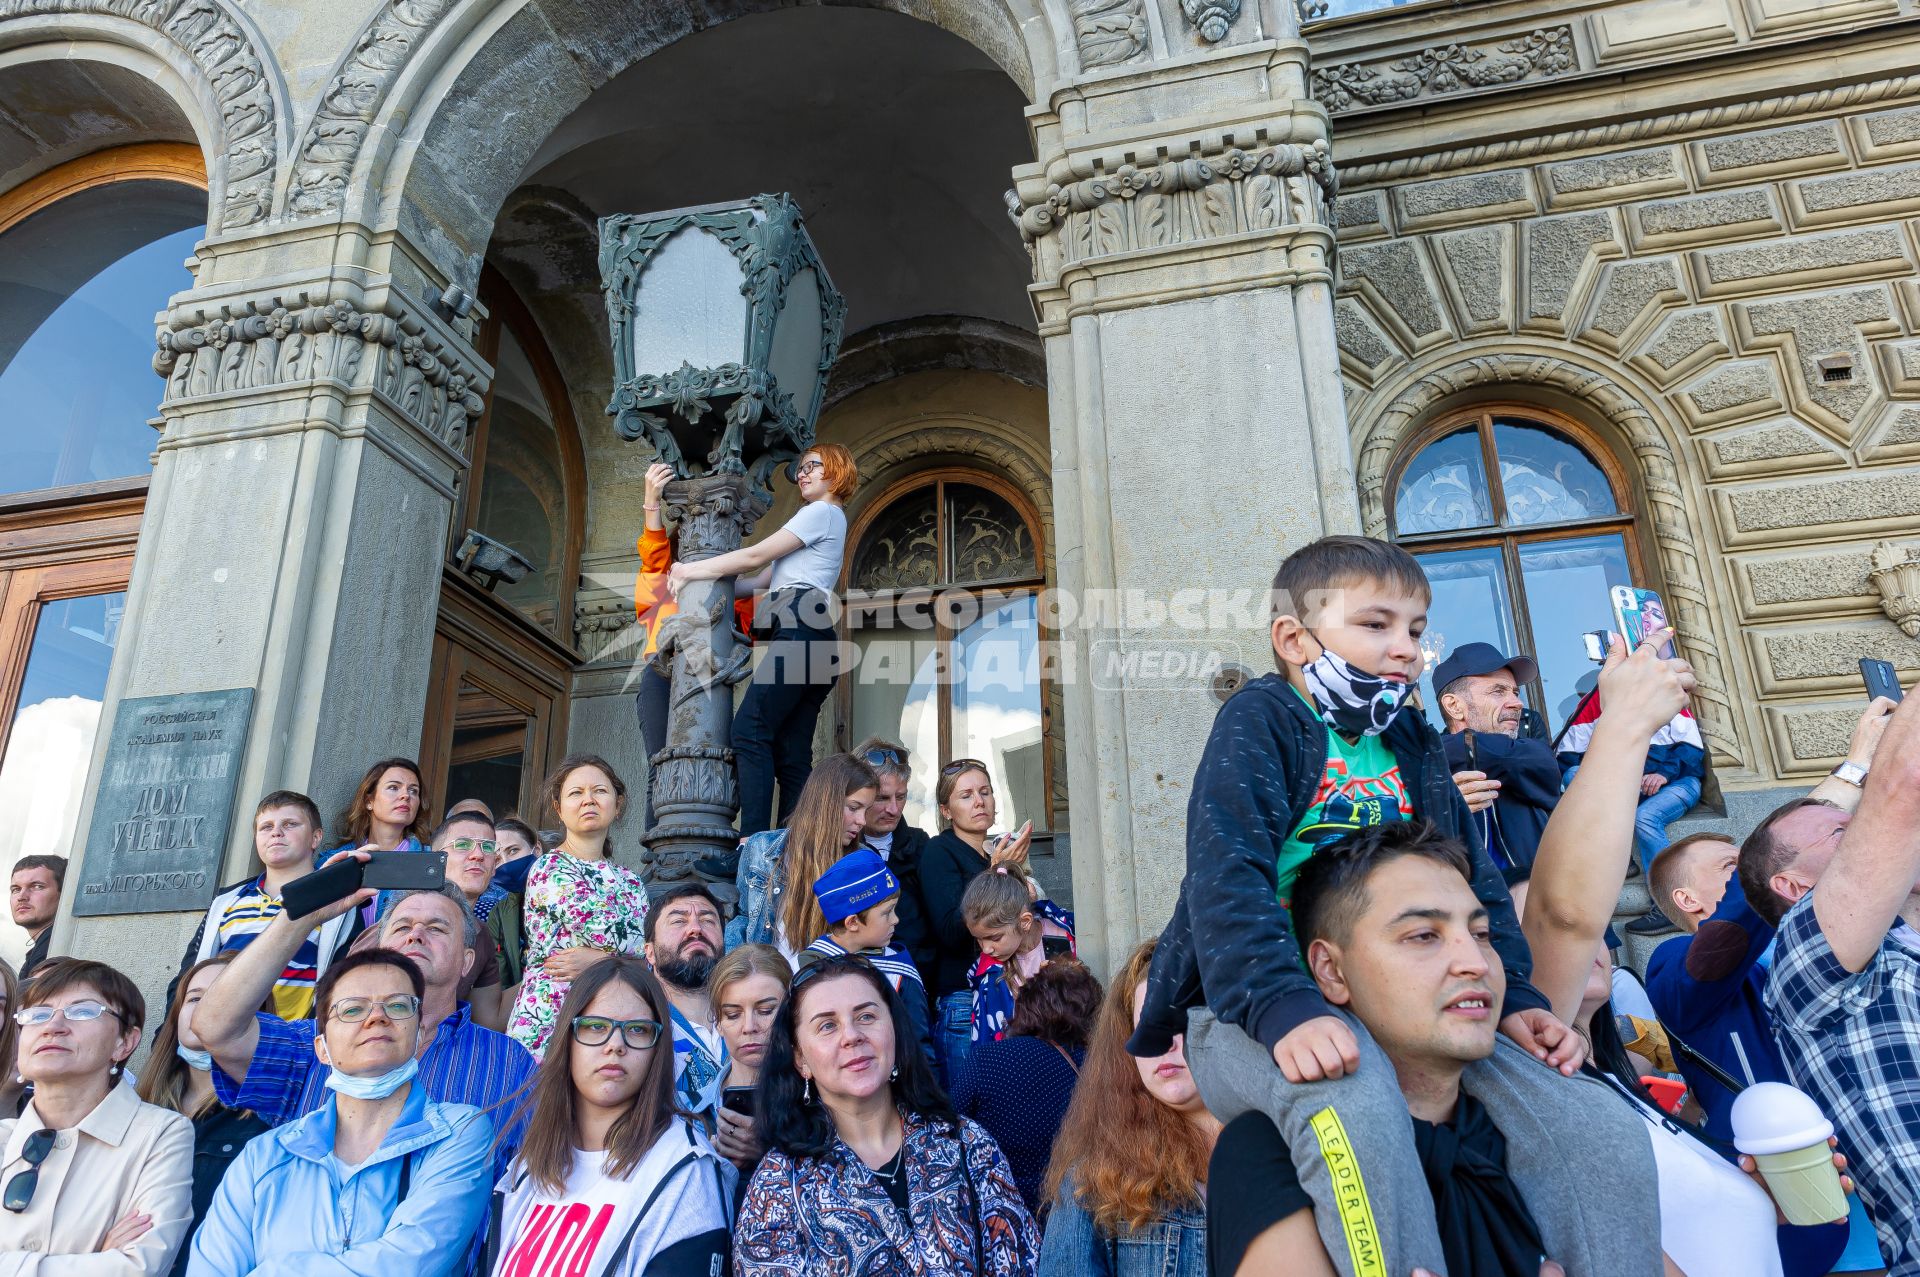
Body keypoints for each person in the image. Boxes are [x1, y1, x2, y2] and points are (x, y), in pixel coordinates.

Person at [1127, 536, 1575, 1277]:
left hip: (1382, 1004)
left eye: (1416, 629)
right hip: (1247, 1011)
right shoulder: (1261, 719)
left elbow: (1475, 877)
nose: (1405, 648)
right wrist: (1282, 1006)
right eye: (1376, 624)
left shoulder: (1409, 737)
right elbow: (1224, 873)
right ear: (1294, 638)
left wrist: (1517, 991)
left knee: (1580, 1113)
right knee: (1353, 1099)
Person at [1521, 630, 1852, 1277]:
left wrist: (1764, 1195)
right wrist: (1624, 725)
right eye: (1732, 868)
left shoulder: (1627, 1018)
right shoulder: (1665, 972)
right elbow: (1564, 912)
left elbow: (1672, 1098)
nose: (1595, 940)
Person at [1203, 822, 1665, 1277]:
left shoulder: (1553, 1137)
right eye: (1423, 935)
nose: (1474, 963)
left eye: (1483, 935)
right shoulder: (1272, 1154)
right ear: (1331, 971)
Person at [194, 873, 534, 1176]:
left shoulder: (509, 1061)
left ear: (467, 961)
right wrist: (301, 919)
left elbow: (533, 1175)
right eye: (402, 927)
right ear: (381, 948)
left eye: (436, 928)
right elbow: (215, 1027)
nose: (416, 935)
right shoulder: (318, 1041)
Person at [187, 949, 494, 1277]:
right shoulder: (263, 1156)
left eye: (398, 1005)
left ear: (418, 1034)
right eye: (352, 1009)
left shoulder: (459, 1131)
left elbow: (408, 1263)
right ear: (322, 1048)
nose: (377, 1017)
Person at [734, 954, 1041, 1275]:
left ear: (894, 1031)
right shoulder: (777, 1184)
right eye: (827, 1025)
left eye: (866, 1016)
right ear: (801, 1060)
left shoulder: (966, 1142)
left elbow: (1021, 1262)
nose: (851, 1035)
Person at [1763, 675, 1920, 1274]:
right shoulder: (1808, 964)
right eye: (1845, 832)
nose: (1873, 833)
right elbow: (1905, 783)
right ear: (1796, 888)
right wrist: (1870, 763)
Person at [490, 955, 733, 1277]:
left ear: (657, 1049)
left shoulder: (687, 1169)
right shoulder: (526, 1168)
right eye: (595, 1026)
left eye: (637, 1030)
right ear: (568, 1039)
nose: (615, 1044)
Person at [669, 444, 859, 839]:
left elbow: (753, 556)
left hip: (802, 627)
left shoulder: (821, 512)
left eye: (812, 467)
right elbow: (756, 582)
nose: (802, 474)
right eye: (801, 468)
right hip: (816, 634)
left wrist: (690, 568)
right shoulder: (827, 521)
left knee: (750, 730)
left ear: (836, 471)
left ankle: (752, 842)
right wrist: (704, 585)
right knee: (791, 752)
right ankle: (794, 844)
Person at [0, 958, 193, 1275]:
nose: (53, 1026)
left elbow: (139, 1267)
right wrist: (96, 1259)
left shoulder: (160, 1134)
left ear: (125, 1041)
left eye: (83, 1011)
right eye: (37, 1015)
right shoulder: (4, 1137)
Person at [1039, 941, 1217, 1277]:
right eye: (1148, 1025)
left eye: (1182, 1020)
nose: (1165, 1042)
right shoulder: (1091, 1179)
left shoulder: (1283, 1150)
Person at [634, 459, 756, 838]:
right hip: (661, 674)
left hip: (713, 680)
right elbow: (654, 553)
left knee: (717, 764)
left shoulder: (734, 593)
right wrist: (651, 504)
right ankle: (657, 847)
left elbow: (750, 628)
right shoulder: (660, 579)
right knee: (663, 766)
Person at [135, 954, 271, 1277]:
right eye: (195, 998)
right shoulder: (137, 1106)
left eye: (226, 996)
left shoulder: (267, 1119)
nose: (207, 1008)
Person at [508, 756, 650, 1059]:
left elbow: (649, 951)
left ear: (618, 803)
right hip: (551, 1015)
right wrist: (629, 959)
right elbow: (615, 934)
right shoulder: (550, 867)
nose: (589, 800)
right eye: (576, 793)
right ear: (559, 809)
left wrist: (599, 961)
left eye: (599, 791)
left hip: (613, 1013)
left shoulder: (632, 881)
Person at [175, 792, 355, 1021]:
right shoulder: (227, 902)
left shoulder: (337, 906)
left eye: (290, 824)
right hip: (221, 1035)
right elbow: (187, 977)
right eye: (266, 827)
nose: (276, 832)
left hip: (292, 1041)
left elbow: (344, 982)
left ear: (316, 837)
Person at [919, 759, 1035, 1086]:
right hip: (963, 1000)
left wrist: (1016, 875)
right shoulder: (939, 851)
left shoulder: (995, 854)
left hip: (1009, 995)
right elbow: (951, 931)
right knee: (970, 1112)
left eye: (985, 792)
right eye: (966, 795)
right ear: (946, 810)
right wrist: (996, 872)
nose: (979, 801)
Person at [954, 959, 1099, 1219]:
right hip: (1075, 1212)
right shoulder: (1097, 1065)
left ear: (1026, 1006)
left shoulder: (987, 1059)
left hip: (1001, 1217)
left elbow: (947, 1130)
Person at [1555, 684, 1706, 935]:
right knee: (1574, 776)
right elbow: (1567, 760)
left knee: (1645, 818)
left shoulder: (1664, 700)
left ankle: (1668, 905)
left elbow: (1691, 748)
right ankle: (1622, 858)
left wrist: (1663, 774)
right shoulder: (1594, 710)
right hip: (1629, 787)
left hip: (1680, 782)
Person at [728, 752, 879, 961]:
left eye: (866, 810)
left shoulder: (864, 862)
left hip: (828, 985)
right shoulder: (760, 847)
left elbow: (869, 942)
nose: (862, 820)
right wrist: (736, 980)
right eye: (854, 808)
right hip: (767, 984)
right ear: (826, 802)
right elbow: (743, 922)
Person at [1433, 643, 1561, 876]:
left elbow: (1545, 763)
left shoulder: (1531, 755)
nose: (1517, 702)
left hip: (1534, 898)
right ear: (1454, 706)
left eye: (1514, 692)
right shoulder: (1424, 774)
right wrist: (1443, 804)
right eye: (1498, 691)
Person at [802, 848, 931, 1060]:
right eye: (887, 912)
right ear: (852, 922)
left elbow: (919, 1048)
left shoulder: (899, 971)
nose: (896, 920)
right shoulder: (807, 968)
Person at [853, 737, 935, 982]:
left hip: (919, 985)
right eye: (882, 798)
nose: (894, 809)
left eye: (901, 797)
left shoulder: (923, 846)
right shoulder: (839, 851)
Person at [640, 884, 726, 1118]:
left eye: (708, 920)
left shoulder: (755, 1021)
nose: (696, 929)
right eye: (678, 921)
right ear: (650, 952)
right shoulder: (639, 1029)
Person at [962, 865, 1074, 1044]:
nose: (986, 949)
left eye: (994, 938)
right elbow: (986, 1041)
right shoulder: (989, 977)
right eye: (979, 939)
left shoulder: (1066, 932)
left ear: (1025, 922)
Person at [705, 944, 790, 1176]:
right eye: (733, 1014)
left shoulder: (824, 1101)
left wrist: (771, 1154)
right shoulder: (691, 1113)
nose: (749, 1027)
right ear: (718, 1023)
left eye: (765, 1011)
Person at [331, 757, 434, 930]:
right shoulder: (336, 860)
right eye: (393, 788)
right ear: (369, 801)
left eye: (413, 791)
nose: (405, 796)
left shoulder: (430, 863)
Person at [432, 810, 509, 1028]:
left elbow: (489, 1019)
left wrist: (547, 966)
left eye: (487, 847)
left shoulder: (481, 935)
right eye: (463, 845)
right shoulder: (404, 919)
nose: (477, 855)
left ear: (494, 866)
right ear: (436, 859)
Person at [484, 816, 539, 990]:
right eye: (498, 859)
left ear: (536, 850)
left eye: (513, 850)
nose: (507, 863)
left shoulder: (569, 895)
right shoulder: (499, 914)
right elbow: (501, 981)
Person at [11, 853, 65, 979]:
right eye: (16, 889)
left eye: (37, 886)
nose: (22, 897)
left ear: (63, 895)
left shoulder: (54, 948)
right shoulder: (44, 946)